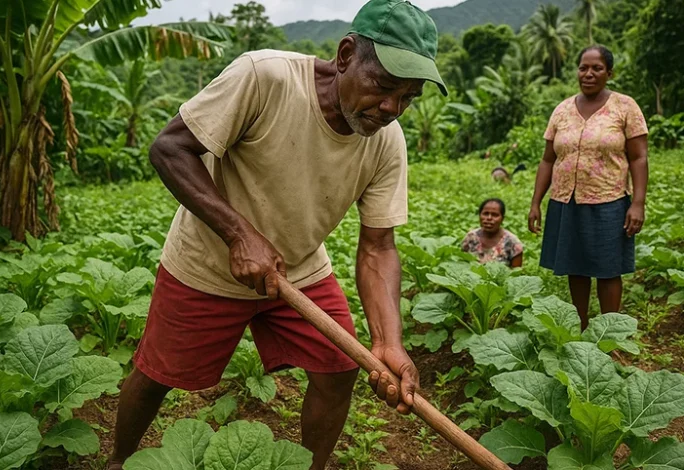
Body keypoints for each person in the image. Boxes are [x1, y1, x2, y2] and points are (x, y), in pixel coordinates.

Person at [106, 1, 448, 469]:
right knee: (155, 375)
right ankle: (118, 460)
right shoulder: (265, 78)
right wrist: (238, 234)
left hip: (301, 271)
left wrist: (389, 340)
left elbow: (378, 247)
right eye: (384, 87)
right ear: (346, 54)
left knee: (339, 370)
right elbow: (170, 149)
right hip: (205, 265)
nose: (392, 108)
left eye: (408, 98)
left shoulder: (386, 141)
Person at [528, 45, 649, 330]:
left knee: (608, 270)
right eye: (584, 67)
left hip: (609, 200)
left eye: (597, 68)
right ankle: (580, 328)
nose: (589, 74)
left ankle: (610, 334)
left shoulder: (625, 107)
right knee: (575, 267)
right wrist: (536, 202)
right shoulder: (562, 110)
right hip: (565, 200)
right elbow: (548, 160)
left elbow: (638, 157)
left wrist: (638, 203)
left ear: (609, 72)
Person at [462, 198, 523, 267]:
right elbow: (462, 266)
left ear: (502, 218)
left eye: (495, 215)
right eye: (485, 214)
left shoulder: (513, 243)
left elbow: (516, 274)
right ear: (479, 216)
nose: (489, 218)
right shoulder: (470, 238)